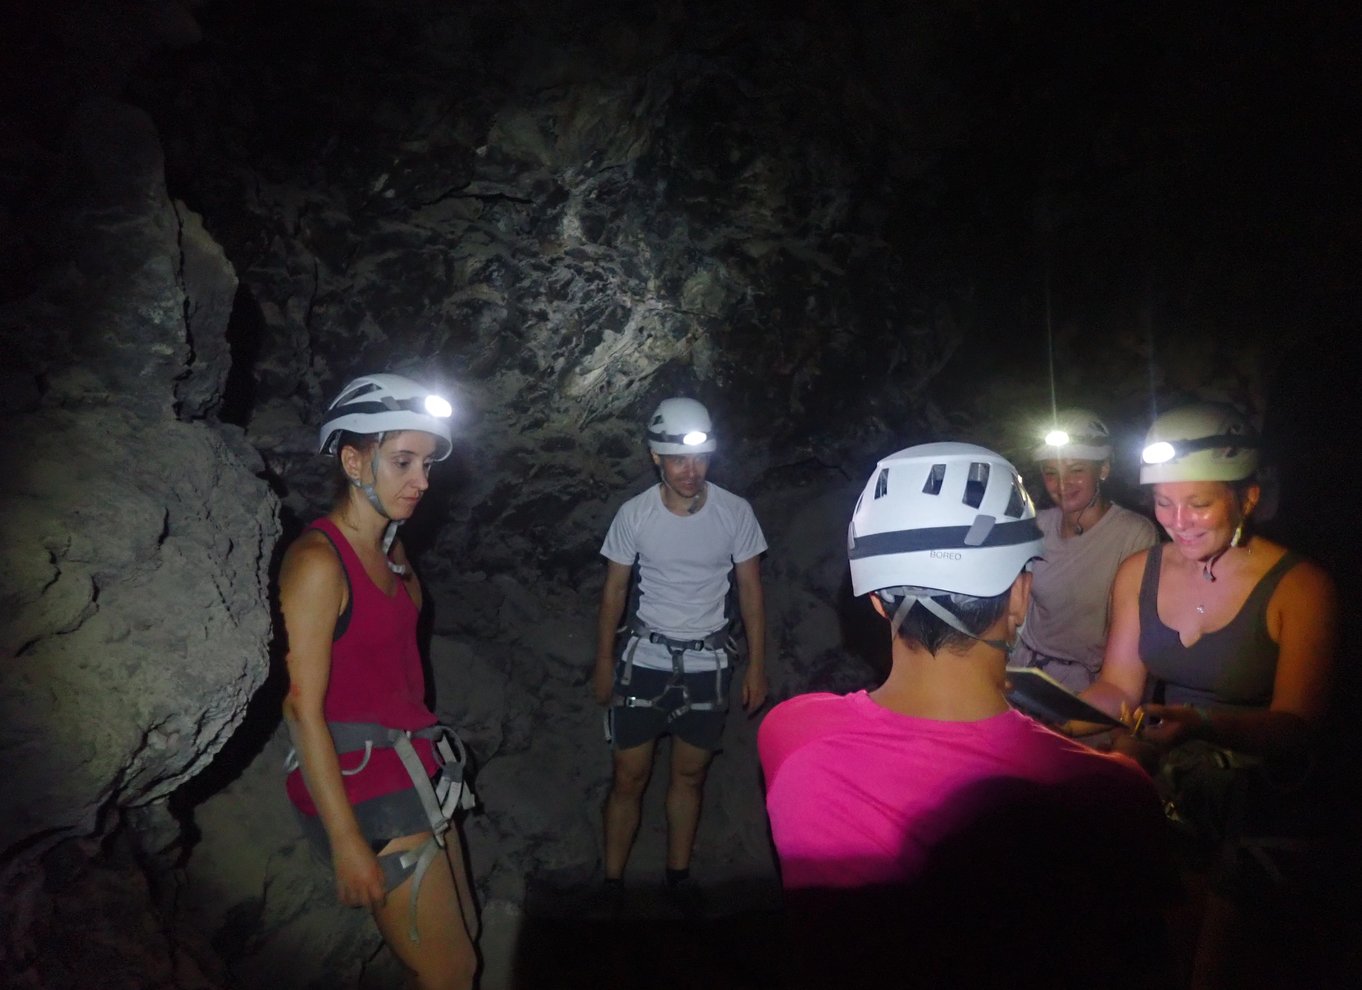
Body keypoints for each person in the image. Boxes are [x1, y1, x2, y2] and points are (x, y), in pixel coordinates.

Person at [759, 442, 1173, 987]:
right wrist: (1132, 762)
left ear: (877, 600)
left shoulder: (791, 733)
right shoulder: (1105, 790)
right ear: (1022, 594)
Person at [1082, 402, 1337, 986]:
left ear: (1247, 498)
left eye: (1198, 502)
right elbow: (1118, 688)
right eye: (1163, 502)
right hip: (1175, 792)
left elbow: (1299, 726)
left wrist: (1202, 723)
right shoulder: (1138, 571)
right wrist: (1047, 716)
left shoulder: (1301, 587)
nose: (1179, 520)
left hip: (1263, 805)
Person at [281, 373, 479, 989]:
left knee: (463, 949)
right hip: (362, 779)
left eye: (425, 463)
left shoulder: (393, 555)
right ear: (353, 459)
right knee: (448, 971)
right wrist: (345, 842)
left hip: (414, 767)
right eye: (403, 461)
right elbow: (301, 707)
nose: (421, 479)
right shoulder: (318, 562)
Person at [592, 397, 768, 899]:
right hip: (643, 660)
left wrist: (757, 665)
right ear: (656, 458)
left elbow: (751, 592)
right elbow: (614, 593)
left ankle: (678, 876)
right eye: (678, 460)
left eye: (700, 458)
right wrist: (603, 661)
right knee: (630, 774)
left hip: (707, 664)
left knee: (689, 775)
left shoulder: (735, 512)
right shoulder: (635, 515)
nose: (692, 471)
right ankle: (611, 881)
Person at [1011, 408, 1159, 691]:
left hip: (1089, 684)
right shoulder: (1038, 524)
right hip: (1025, 670)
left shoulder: (1134, 533)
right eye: (1051, 473)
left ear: (1103, 470)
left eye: (1076, 470)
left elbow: (1143, 630)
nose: (1062, 484)